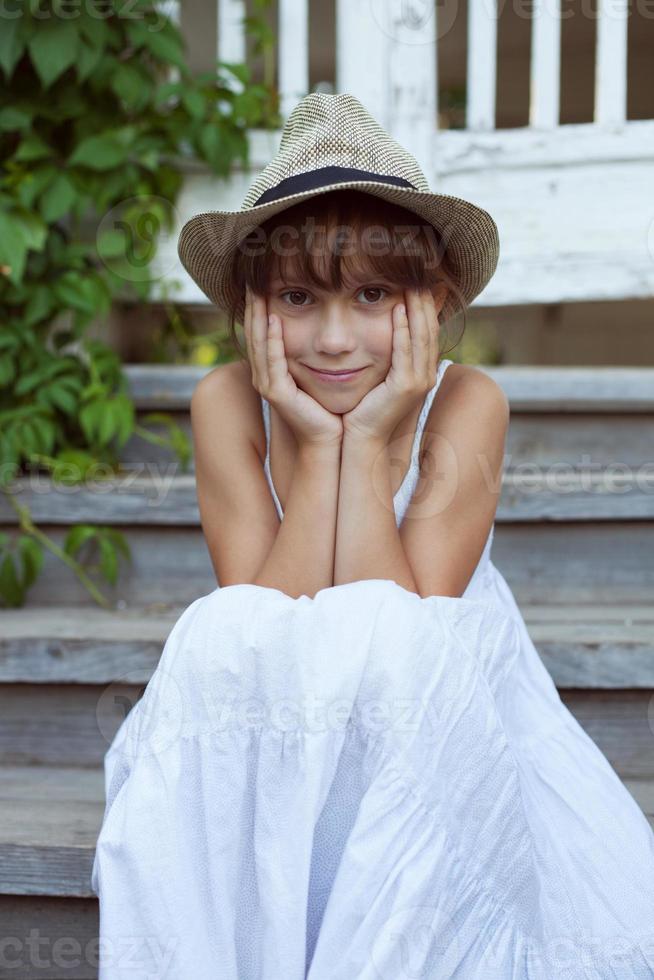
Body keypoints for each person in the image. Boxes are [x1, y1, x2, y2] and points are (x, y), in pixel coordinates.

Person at [91, 92, 654, 979]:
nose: (334, 337)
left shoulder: (466, 403)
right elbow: (261, 620)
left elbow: (400, 626)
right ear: (251, 310)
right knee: (214, 632)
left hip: (431, 721)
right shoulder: (227, 401)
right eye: (296, 297)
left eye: (373, 295)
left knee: (393, 641)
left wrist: (379, 431)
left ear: (434, 303)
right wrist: (317, 445)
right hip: (278, 721)